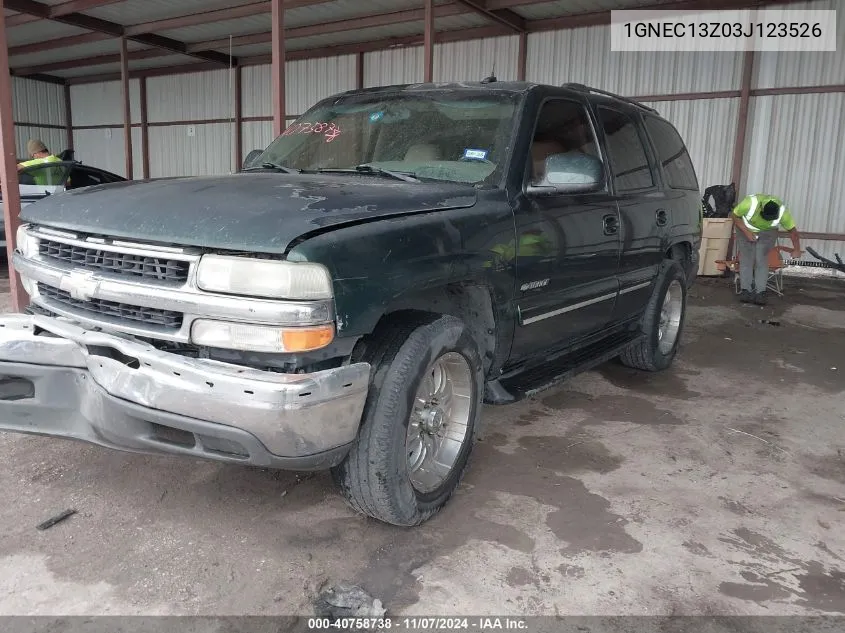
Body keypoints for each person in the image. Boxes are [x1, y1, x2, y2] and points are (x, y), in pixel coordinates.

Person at [732, 193, 801, 305]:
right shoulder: (749, 203)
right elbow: (735, 216)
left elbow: (793, 232)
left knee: (761, 259)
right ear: (760, 209)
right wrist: (747, 232)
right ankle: (746, 290)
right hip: (744, 229)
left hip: (768, 232)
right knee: (747, 259)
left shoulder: (783, 213)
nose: (767, 220)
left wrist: (797, 249)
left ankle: (761, 292)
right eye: (765, 217)